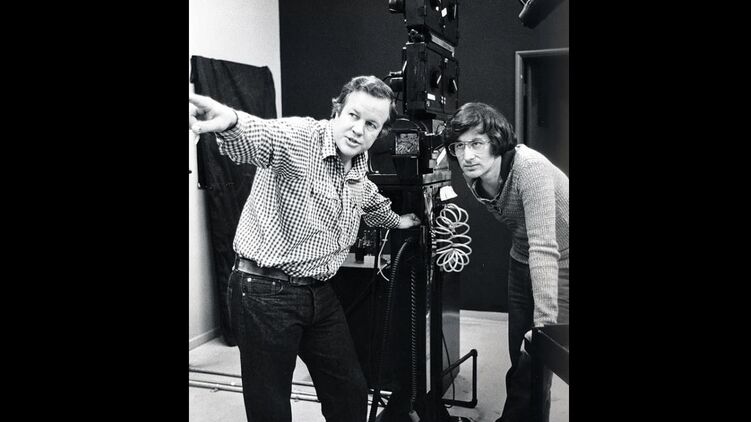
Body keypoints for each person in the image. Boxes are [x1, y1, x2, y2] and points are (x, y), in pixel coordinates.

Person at [188, 75, 421, 422]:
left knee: (350, 391)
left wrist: (399, 222)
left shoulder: (357, 165)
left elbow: (368, 200)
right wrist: (231, 121)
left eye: (371, 124)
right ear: (337, 110)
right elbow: (261, 137)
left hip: (319, 291)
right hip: (264, 291)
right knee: (271, 406)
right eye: (353, 115)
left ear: (380, 132)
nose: (359, 129)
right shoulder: (301, 138)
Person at [445, 102, 569, 422]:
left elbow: (544, 246)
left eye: (477, 143)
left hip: (562, 257)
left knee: (537, 353)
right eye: (459, 145)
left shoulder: (530, 169)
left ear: (497, 141)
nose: (467, 155)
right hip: (521, 256)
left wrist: (543, 327)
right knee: (520, 350)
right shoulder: (476, 174)